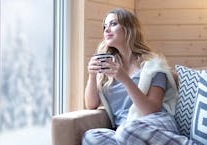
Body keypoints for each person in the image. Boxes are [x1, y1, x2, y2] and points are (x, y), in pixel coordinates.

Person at [82, 8, 195, 145]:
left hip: (156, 124)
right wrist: (92, 76)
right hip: (124, 130)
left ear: (129, 29)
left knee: (127, 130)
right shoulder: (108, 66)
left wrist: (125, 79)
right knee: (91, 136)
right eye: (105, 26)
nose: (107, 30)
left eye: (113, 24)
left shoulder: (153, 65)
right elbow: (91, 104)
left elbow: (152, 109)